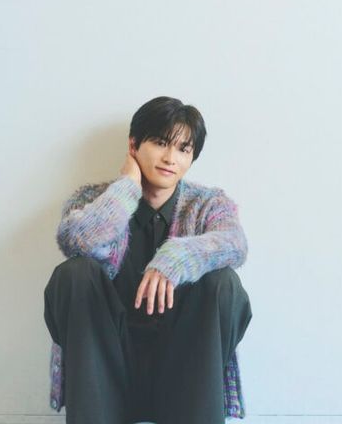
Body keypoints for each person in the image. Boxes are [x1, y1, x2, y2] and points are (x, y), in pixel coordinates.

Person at [43, 96, 253, 424]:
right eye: (160, 143)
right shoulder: (93, 199)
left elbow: (235, 243)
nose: (170, 158)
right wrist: (126, 188)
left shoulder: (208, 204)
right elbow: (75, 240)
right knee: (74, 273)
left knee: (224, 282)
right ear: (134, 145)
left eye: (183, 149)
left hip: (185, 373)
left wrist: (176, 258)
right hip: (105, 371)